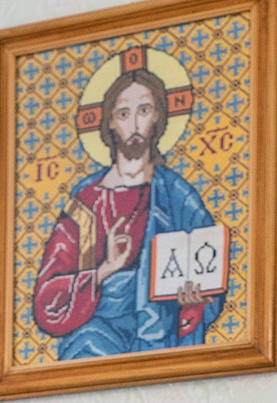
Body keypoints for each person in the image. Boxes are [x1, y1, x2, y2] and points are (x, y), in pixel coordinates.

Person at [28, 63, 225, 358]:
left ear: (158, 116)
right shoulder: (85, 202)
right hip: (93, 334)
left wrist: (194, 302)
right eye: (123, 114)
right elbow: (48, 299)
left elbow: (210, 272)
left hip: (160, 332)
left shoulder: (177, 195)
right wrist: (106, 269)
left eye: (144, 110)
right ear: (109, 123)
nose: (134, 124)